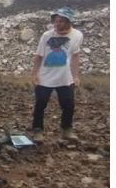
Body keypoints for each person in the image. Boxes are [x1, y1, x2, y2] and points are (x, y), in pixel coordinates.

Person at [31, 7, 84, 141]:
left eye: (60, 21)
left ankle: (67, 129)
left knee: (68, 103)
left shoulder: (77, 35)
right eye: (55, 21)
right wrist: (34, 74)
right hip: (45, 76)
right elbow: (38, 56)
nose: (57, 24)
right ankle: (37, 130)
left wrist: (75, 75)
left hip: (65, 77)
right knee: (41, 103)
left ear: (69, 22)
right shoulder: (47, 36)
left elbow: (75, 55)